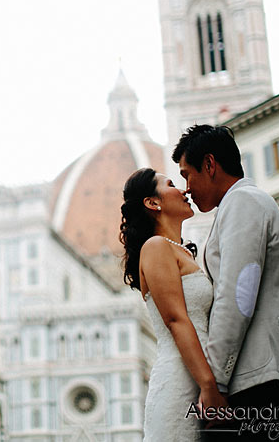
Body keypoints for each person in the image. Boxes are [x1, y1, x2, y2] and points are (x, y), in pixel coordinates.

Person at [172, 125, 279, 441]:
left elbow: (238, 294)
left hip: (260, 379)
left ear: (210, 165)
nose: (187, 187)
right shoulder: (241, 204)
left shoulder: (243, 202)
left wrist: (214, 383)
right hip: (263, 376)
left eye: (187, 174)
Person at [121, 167, 227, 442]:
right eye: (171, 184)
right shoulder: (156, 246)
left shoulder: (185, 251)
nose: (184, 190)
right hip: (181, 383)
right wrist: (208, 386)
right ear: (152, 203)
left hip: (202, 376)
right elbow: (176, 320)